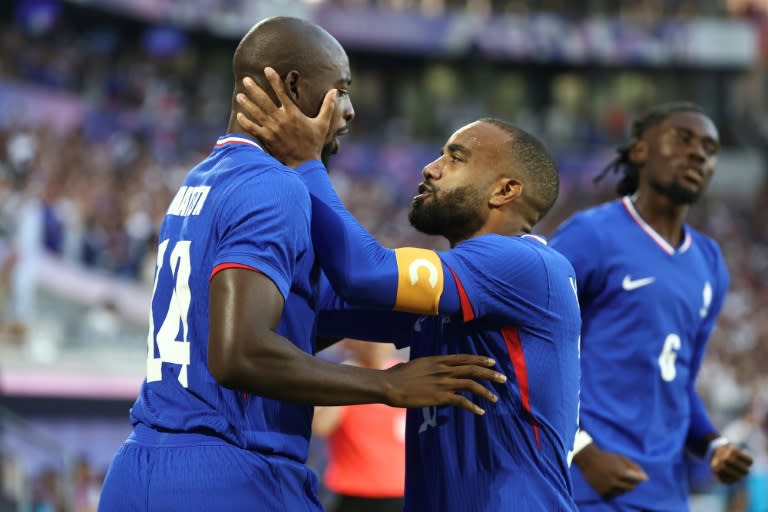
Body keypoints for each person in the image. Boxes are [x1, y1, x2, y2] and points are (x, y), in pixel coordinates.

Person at [98, 17, 506, 512]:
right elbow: (240, 353)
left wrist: (435, 306)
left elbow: (300, 319)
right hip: (231, 473)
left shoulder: (201, 181)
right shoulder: (275, 186)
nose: (350, 111)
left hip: (140, 468)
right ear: (293, 87)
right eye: (341, 90)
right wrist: (388, 385)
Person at [235, 72, 582, 511]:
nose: (430, 168)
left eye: (455, 158)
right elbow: (314, 309)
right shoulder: (457, 292)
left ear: (506, 190)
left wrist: (306, 161)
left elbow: (366, 272)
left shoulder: (528, 266)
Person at [549, 101, 754, 510]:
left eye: (710, 148)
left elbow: (677, 382)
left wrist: (713, 443)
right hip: (586, 486)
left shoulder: (710, 262)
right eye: (683, 139)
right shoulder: (590, 236)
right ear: (640, 150)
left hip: (665, 491)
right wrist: (584, 453)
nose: (699, 153)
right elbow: (533, 349)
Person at [313, 340, 406, 512]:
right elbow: (321, 426)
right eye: (371, 341)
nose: (376, 346)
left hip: (398, 492)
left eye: (382, 341)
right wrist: (348, 380)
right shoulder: (343, 377)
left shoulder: (402, 375)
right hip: (352, 493)